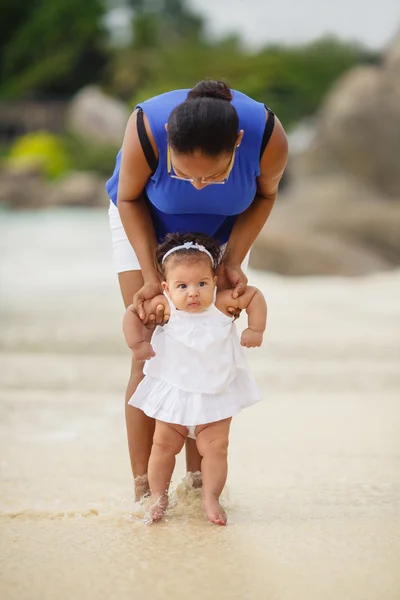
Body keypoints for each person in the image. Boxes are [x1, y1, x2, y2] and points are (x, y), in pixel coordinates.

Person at [106, 79, 288, 500]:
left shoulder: (266, 138)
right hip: (144, 218)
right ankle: (146, 486)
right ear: (169, 142)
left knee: (205, 342)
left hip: (224, 230)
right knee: (153, 345)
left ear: (238, 143)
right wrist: (153, 280)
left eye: (214, 175)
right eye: (185, 174)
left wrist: (233, 260)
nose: (199, 185)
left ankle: (199, 477)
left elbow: (265, 195)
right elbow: (129, 198)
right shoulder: (146, 129)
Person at [123, 233, 267, 525]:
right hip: (174, 394)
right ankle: (158, 497)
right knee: (163, 447)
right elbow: (131, 313)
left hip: (214, 394)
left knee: (216, 448)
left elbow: (253, 295)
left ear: (214, 281)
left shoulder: (220, 305)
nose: (193, 293)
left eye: (202, 283)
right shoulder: (165, 308)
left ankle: (210, 497)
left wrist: (255, 328)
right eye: (183, 286)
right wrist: (137, 344)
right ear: (166, 287)